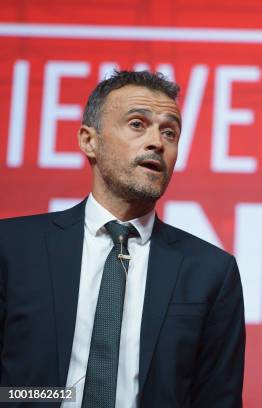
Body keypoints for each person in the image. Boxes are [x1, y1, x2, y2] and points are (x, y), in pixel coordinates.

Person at [0, 71, 245, 407]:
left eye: (170, 132)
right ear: (89, 141)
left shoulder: (210, 272)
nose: (157, 142)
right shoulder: (12, 249)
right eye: (136, 124)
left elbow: (218, 399)